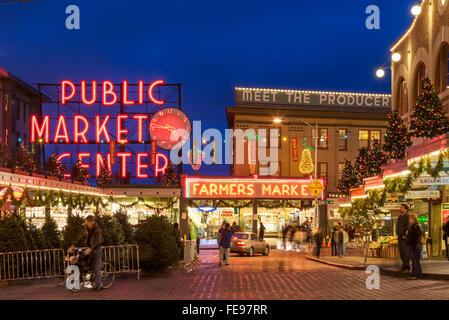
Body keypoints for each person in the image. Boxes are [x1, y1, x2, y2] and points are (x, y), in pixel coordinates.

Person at [68, 215, 103, 291]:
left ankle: (99, 285)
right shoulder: (86, 229)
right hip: (89, 249)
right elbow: (80, 238)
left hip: (96, 249)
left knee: (96, 267)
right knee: (81, 260)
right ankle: (82, 278)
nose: (87, 223)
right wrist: (73, 246)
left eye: (89, 222)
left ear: (92, 222)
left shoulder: (97, 229)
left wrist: (90, 248)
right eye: (86, 221)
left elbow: (98, 241)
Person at [406, 213, 423, 280]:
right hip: (412, 245)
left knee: (416, 261)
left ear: (413, 219)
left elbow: (416, 238)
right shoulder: (413, 226)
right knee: (413, 261)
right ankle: (413, 274)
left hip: (416, 246)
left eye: (410, 219)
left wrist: (414, 246)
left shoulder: (417, 227)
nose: (409, 220)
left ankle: (419, 275)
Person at [396, 204, 411, 272]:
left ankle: (407, 267)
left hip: (404, 237)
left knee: (406, 252)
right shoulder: (400, 216)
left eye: (401, 208)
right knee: (402, 252)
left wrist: (405, 234)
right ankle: (404, 266)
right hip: (399, 236)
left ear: (405, 209)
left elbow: (408, 226)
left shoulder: (407, 216)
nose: (400, 209)